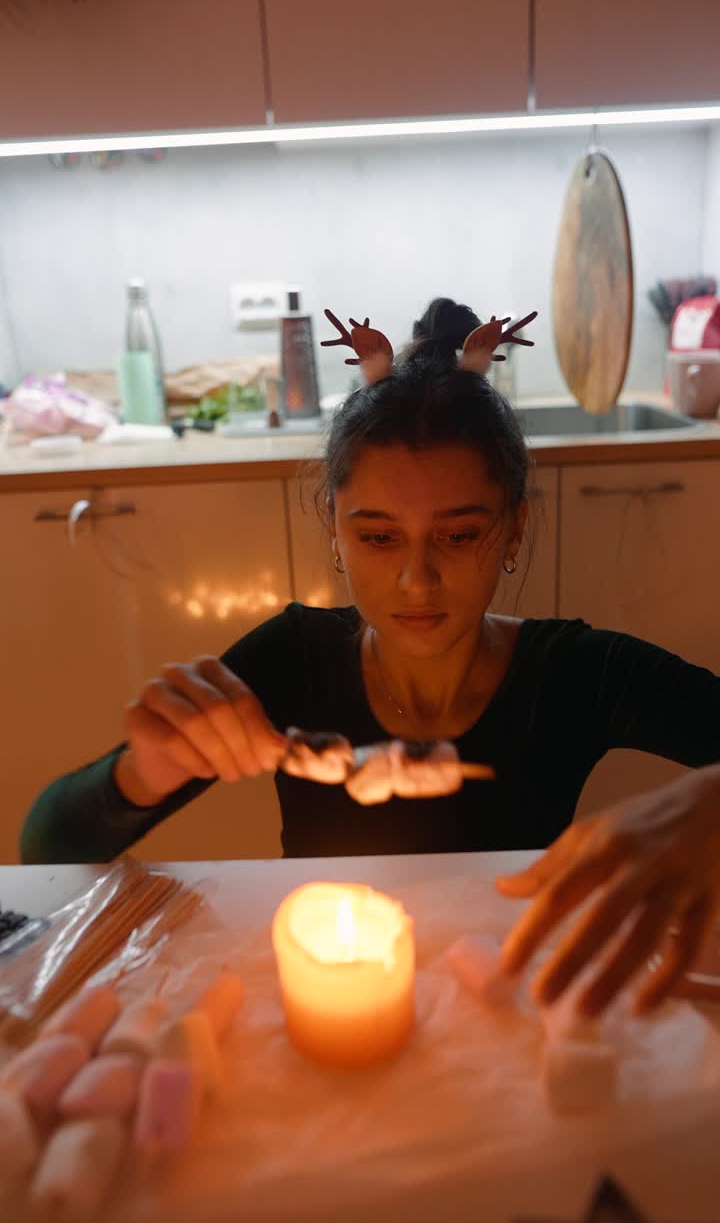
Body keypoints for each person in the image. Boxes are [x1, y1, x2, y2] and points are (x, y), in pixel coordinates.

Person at [21, 298, 720, 1017]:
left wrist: (708, 806)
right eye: (380, 539)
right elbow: (46, 848)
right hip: (327, 1018)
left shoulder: (579, 674)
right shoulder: (291, 661)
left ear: (516, 530)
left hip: (509, 1011)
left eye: (458, 536)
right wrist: (146, 770)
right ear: (335, 529)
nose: (418, 582)